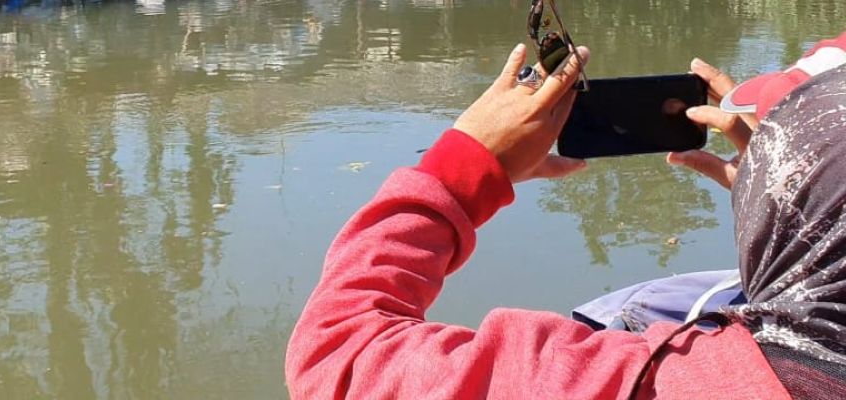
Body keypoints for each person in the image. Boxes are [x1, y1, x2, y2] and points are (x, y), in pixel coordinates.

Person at [285, 34, 846, 399]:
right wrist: (794, 222)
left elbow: (339, 355)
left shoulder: (667, 386)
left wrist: (460, 169)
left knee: (626, 311)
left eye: (797, 133)